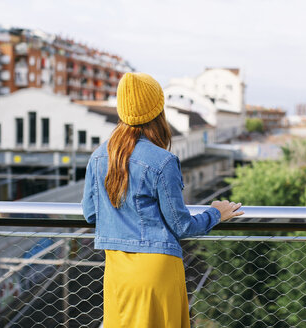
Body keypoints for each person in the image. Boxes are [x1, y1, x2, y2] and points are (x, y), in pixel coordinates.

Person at [81, 72, 244, 328]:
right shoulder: (162, 161)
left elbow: (91, 214)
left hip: (117, 271)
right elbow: (182, 226)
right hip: (157, 270)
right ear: (158, 111)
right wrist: (216, 214)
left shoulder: (100, 157)